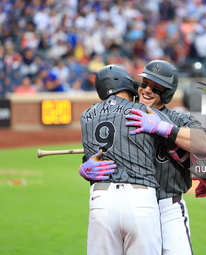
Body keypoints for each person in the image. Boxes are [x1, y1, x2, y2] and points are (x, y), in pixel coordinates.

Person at [80, 60, 206, 255]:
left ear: (168, 93)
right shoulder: (122, 114)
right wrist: (84, 169)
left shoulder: (178, 119)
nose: (146, 91)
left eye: (156, 88)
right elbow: (96, 155)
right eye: (144, 84)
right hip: (135, 204)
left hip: (167, 207)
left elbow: (204, 144)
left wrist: (164, 128)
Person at [80, 64, 179, 255]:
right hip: (140, 197)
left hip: (101, 198)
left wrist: (82, 168)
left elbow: (90, 158)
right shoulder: (146, 111)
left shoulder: (86, 116)